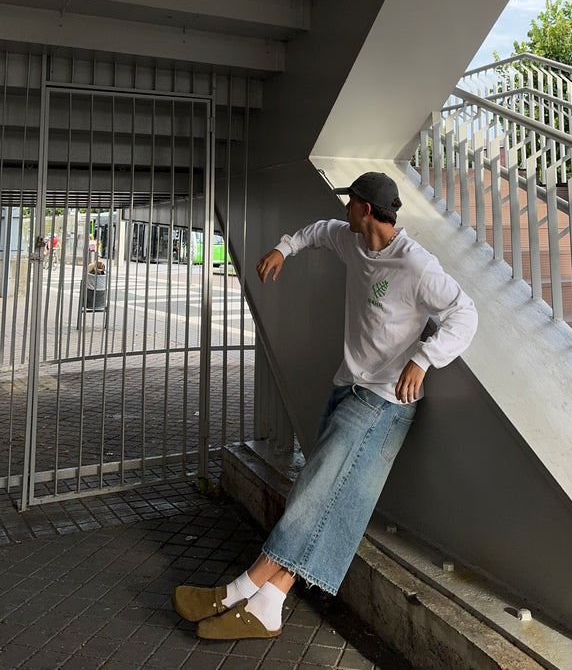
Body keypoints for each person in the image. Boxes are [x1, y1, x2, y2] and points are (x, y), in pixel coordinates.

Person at [172, 172, 478, 641]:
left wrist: (423, 358)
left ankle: (237, 590)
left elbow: (465, 312)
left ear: (367, 209)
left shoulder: (416, 264)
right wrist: (283, 249)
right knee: (326, 502)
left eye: (350, 202)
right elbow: (315, 232)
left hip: (382, 402)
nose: (344, 209)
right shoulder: (350, 239)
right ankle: (269, 605)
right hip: (346, 388)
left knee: (314, 495)